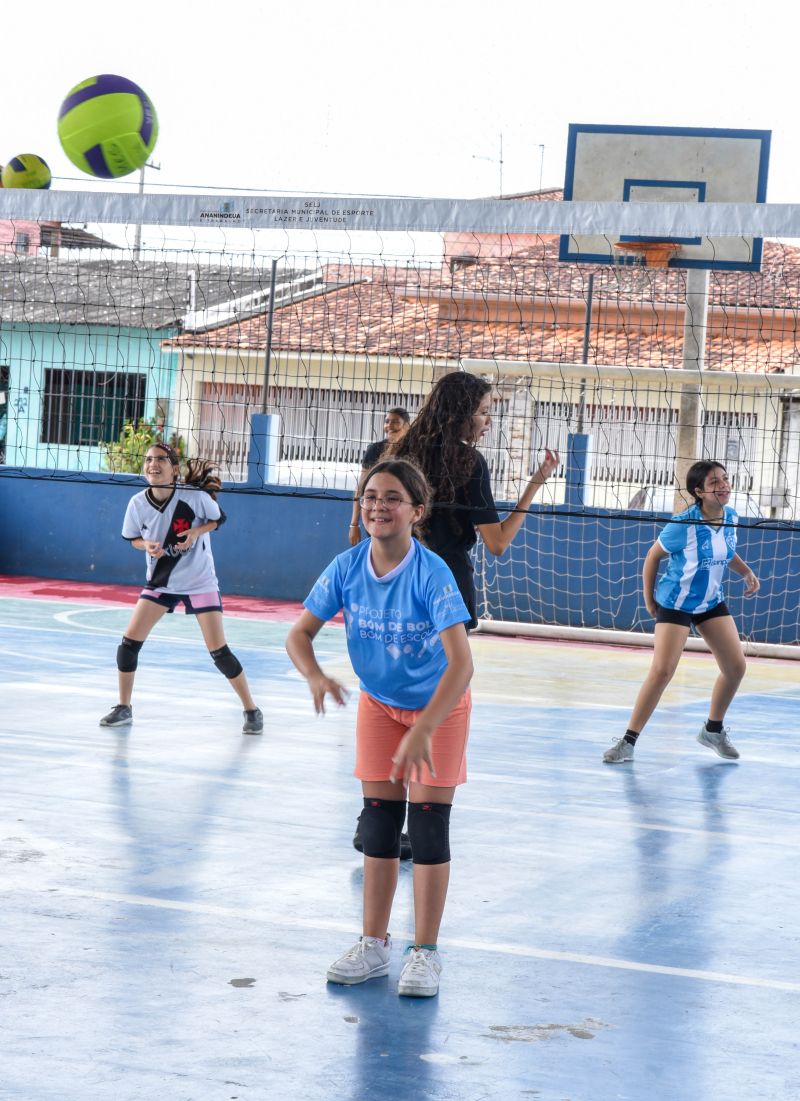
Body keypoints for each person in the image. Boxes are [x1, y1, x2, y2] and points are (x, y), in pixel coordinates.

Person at [286, 458, 473, 998]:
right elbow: (299, 635)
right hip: (380, 705)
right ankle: (373, 944)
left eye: (392, 498)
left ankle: (426, 953)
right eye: (370, 496)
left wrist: (425, 728)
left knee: (430, 827)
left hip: (439, 706)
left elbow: (461, 665)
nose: (378, 506)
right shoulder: (346, 567)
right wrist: (317, 675)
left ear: (417, 510)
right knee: (378, 825)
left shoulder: (432, 572)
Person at [99, 442, 263, 735]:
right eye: (148, 460)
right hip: (161, 583)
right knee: (127, 647)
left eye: (160, 459)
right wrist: (144, 545)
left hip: (200, 581)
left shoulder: (195, 497)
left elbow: (218, 519)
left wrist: (195, 533)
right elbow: (133, 538)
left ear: (174, 468)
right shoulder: (137, 503)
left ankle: (251, 709)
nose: (153, 464)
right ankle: (124, 707)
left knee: (219, 653)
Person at [603, 460, 760, 764]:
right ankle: (627, 742)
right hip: (675, 602)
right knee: (663, 671)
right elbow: (652, 557)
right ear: (699, 491)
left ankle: (713, 730)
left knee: (736, 667)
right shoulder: (684, 525)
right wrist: (649, 600)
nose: (724, 485)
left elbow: (725, 551)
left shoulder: (732, 517)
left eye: (725, 479)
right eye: (715, 482)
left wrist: (745, 571)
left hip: (711, 602)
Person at [393, 372, 559, 629]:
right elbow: (498, 543)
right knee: (451, 668)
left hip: (399, 579)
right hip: (447, 583)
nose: (489, 421)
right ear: (460, 414)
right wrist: (535, 483)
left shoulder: (400, 454)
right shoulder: (469, 463)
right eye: (483, 411)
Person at [348, 408, 411, 547]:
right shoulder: (375, 450)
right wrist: (354, 524)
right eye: (387, 421)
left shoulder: (415, 449)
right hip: (378, 514)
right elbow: (361, 487)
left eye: (395, 422)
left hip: (403, 516)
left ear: (407, 425)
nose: (389, 426)